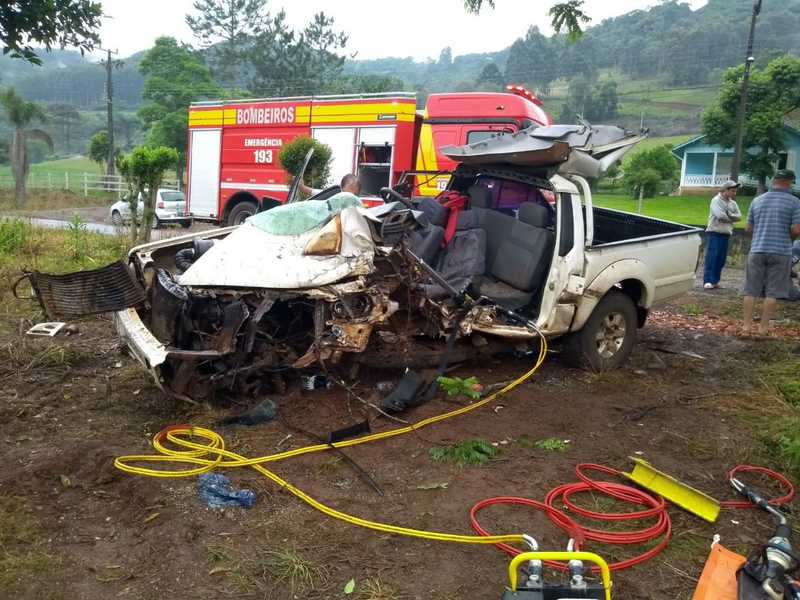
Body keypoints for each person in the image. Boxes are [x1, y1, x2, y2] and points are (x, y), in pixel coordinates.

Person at [742, 169, 800, 335]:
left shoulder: (757, 200)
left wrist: (760, 236)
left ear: (773, 181)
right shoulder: (795, 202)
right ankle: (763, 328)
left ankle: (746, 327)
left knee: (750, 289)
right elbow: (797, 229)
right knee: (773, 292)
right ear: (790, 182)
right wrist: (788, 238)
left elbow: (748, 228)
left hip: (757, 249)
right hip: (781, 251)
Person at [703, 180, 742, 289]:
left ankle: (715, 281)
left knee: (721, 258)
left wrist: (729, 215)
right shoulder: (716, 201)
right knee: (712, 257)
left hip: (726, 233)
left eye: (735, 191)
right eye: (733, 191)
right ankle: (708, 280)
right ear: (726, 190)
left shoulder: (733, 203)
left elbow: (739, 216)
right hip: (714, 232)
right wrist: (732, 218)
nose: (735, 193)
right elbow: (720, 216)